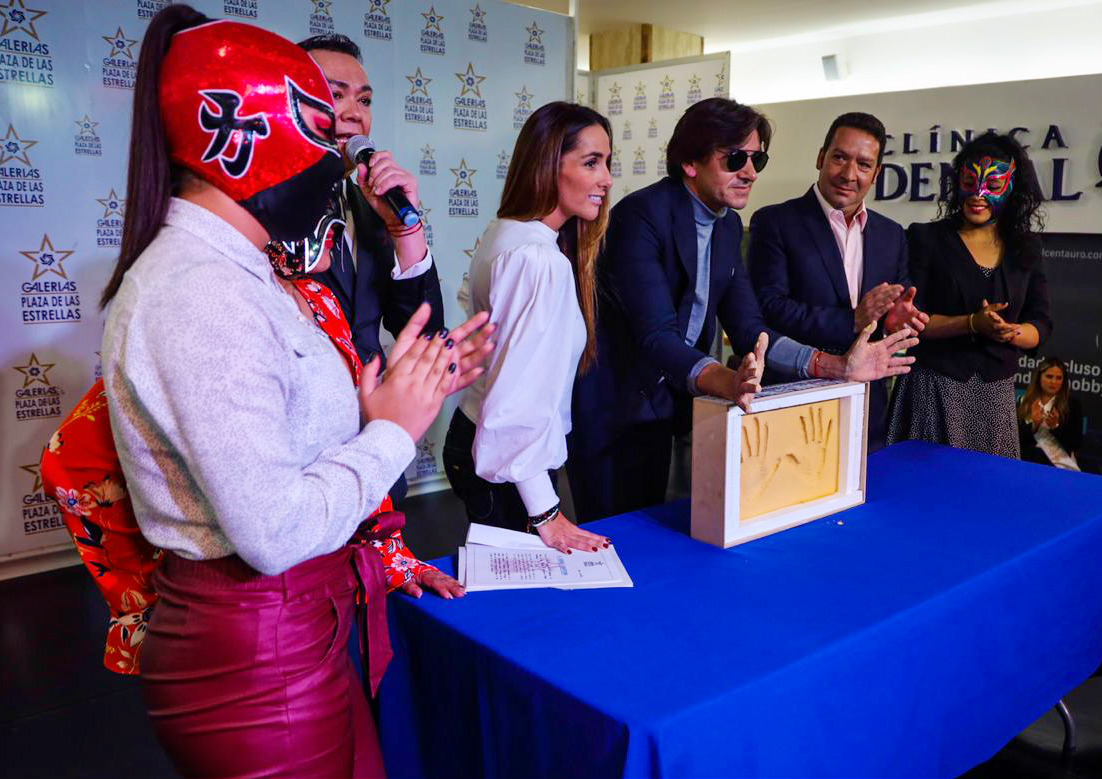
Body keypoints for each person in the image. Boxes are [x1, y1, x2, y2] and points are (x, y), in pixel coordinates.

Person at [97, 8, 490, 777]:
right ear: (246, 132)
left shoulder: (248, 269)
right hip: (254, 644)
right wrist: (390, 431)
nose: (341, 142)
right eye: (320, 118)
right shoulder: (200, 289)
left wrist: (386, 403)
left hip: (301, 617)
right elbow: (271, 529)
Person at [568, 98, 918, 523]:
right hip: (613, 409)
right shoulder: (642, 216)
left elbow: (752, 327)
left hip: (667, 408)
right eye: (735, 159)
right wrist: (726, 380)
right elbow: (656, 334)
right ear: (690, 163)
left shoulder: (728, 224)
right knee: (610, 539)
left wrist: (836, 366)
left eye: (757, 159)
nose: (750, 172)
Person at [443, 102, 613, 553]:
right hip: (508, 467)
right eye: (591, 162)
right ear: (548, 164)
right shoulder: (538, 259)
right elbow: (517, 398)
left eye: (608, 164)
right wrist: (546, 511)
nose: (607, 180)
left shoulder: (508, 234)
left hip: (490, 450)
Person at [299, 33, 445, 503]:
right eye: (333, 92)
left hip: (374, 455)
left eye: (363, 99)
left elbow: (420, 333)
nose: (353, 111)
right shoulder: (256, 215)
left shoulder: (368, 202)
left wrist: (406, 230)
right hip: (296, 467)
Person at [748, 112, 928, 451]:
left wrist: (894, 320)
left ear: (876, 174)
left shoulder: (891, 235)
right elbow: (768, 308)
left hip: (865, 407)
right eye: (839, 158)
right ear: (821, 157)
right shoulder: (775, 222)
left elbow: (892, 310)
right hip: (795, 400)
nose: (848, 174)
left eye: (863, 164)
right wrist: (852, 320)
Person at [887, 131, 1052, 457]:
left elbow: (1042, 323)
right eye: (969, 181)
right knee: (926, 490)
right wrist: (972, 323)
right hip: (933, 389)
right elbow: (913, 319)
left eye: (992, 186)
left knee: (988, 496)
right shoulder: (926, 238)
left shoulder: (1026, 248)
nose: (978, 194)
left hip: (995, 398)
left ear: (1012, 188)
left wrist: (1012, 332)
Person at [1018, 358, 1083, 470]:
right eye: (1049, 376)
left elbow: (1075, 443)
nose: (1054, 382)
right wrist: (1035, 425)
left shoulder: (1072, 405)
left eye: (1059, 378)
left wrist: (1055, 427)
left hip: (1058, 467)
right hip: (1027, 463)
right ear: (1039, 378)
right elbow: (1017, 441)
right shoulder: (1024, 402)